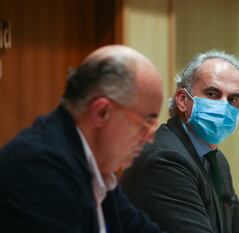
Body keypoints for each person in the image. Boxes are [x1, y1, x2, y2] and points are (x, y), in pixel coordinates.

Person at [0, 45, 165, 233]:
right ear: (102, 113)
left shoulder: (98, 168)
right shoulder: (39, 166)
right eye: (146, 123)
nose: (149, 138)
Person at [121, 50, 239, 233]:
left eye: (233, 99)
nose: (224, 106)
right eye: (213, 94)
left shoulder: (216, 160)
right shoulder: (166, 159)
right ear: (182, 100)